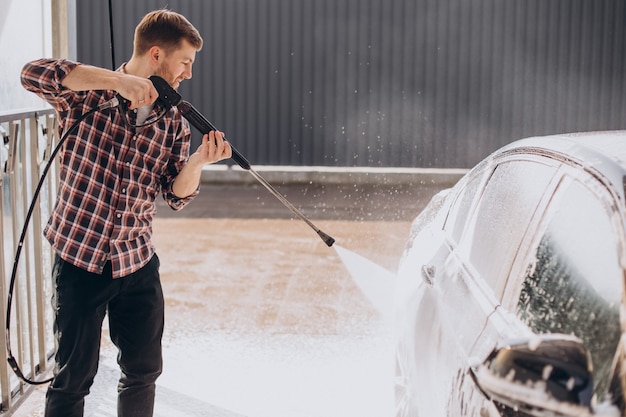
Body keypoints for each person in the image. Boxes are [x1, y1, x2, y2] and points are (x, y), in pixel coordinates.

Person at [20, 9, 231, 417]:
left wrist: (198, 163)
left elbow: (175, 194)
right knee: (72, 379)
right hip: (80, 259)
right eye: (185, 62)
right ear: (156, 54)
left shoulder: (173, 122)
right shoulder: (86, 94)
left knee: (143, 371)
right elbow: (32, 73)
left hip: (136, 263)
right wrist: (118, 81)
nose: (188, 72)